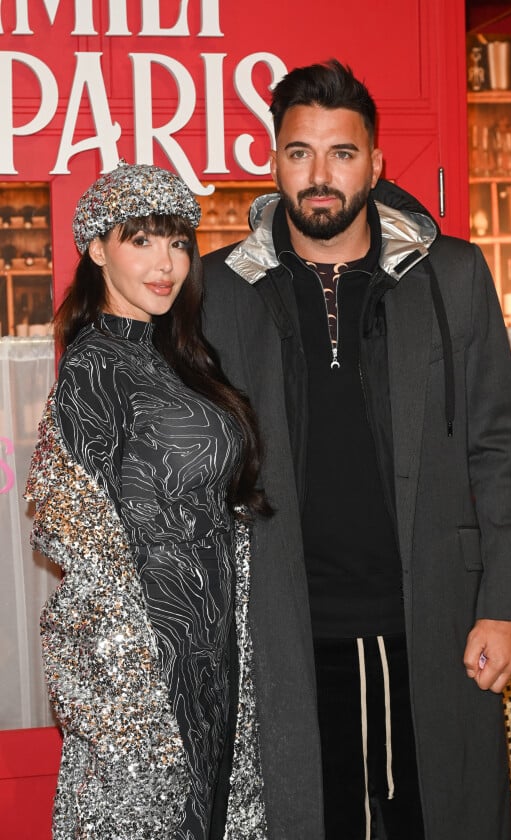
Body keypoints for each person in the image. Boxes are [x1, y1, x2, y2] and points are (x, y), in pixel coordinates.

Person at [201, 60, 511, 840]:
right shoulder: (218, 288)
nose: (320, 176)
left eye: (342, 153)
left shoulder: (450, 275)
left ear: (376, 163)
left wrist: (506, 606)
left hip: (434, 621)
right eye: (300, 153)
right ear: (274, 160)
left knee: (441, 817)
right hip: (283, 630)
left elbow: (499, 445)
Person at [25, 161, 270, 840]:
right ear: (98, 249)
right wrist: (127, 680)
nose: (166, 263)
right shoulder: (95, 365)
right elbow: (75, 528)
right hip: (148, 660)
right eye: (141, 240)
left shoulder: (177, 355)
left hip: (215, 642)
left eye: (178, 242)